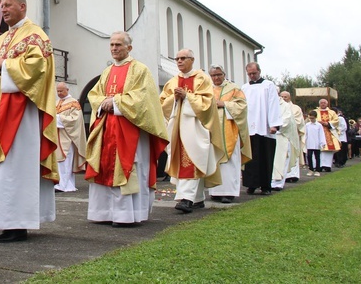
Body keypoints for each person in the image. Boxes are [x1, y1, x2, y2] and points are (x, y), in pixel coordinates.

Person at [0, 0, 59, 243]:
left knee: (16, 167)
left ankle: (18, 223)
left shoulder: (36, 35)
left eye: (7, 5)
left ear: (23, 6)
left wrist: (5, 66)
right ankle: (3, 220)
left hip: (21, 115)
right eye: (1, 6)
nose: (3, 9)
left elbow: (38, 69)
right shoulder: (1, 40)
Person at [85, 32, 168, 225]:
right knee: (105, 166)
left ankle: (127, 215)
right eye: (112, 45)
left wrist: (114, 102)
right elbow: (94, 94)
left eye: (118, 45)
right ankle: (104, 213)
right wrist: (103, 102)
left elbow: (144, 99)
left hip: (130, 130)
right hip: (107, 129)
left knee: (130, 167)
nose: (114, 48)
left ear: (129, 48)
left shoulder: (140, 70)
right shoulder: (107, 71)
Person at [160, 49, 224, 213]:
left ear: (192, 60)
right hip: (177, 127)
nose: (179, 61)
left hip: (195, 125)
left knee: (193, 159)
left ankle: (186, 199)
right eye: (177, 58)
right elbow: (162, 102)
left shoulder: (202, 78)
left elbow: (208, 103)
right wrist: (174, 98)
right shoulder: (173, 81)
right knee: (183, 159)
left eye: (183, 58)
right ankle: (197, 198)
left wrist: (187, 97)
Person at [207, 65, 251, 204]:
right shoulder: (208, 89)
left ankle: (229, 192)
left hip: (229, 129)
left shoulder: (234, 89)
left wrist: (224, 104)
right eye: (213, 75)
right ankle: (215, 191)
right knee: (214, 160)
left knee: (230, 161)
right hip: (212, 130)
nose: (216, 78)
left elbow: (242, 107)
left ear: (224, 74)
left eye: (219, 74)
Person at [241, 62, 281, 195]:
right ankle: (251, 184)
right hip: (249, 127)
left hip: (265, 127)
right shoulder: (244, 87)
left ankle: (265, 185)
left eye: (254, 73)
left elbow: (273, 105)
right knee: (250, 158)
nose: (252, 76)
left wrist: (274, 124)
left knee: (265, 156)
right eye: (249, 74)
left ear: (259, 71)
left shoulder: (268, 85)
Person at [55, 82, 87, 193]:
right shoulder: (57, 103)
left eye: (61, 91)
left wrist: (57, 118)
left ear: (67, 90)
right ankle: (63, 184)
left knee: (65, 162)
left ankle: (64, 185)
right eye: (58, 91)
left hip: (67, 138)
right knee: (59, 162)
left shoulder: (74, 103)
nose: (59, 93)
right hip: (58, 137)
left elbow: (75, 120)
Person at [271, 89, 300, 191]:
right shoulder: (267, 103)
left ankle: (277, 183)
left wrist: (275, 127)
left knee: (281, 159)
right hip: (267, 136)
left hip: (281, 135)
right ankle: (268, 182)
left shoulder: (285, 105)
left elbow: (286, 119)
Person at [280, 91, 305, 182]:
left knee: (292, 153)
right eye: (281, 96)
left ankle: (292, 175)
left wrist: (286, 122)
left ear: (289, 98)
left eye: (285, 97)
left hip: (292, 135)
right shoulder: (278, 106)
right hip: (280, 134)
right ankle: (282, 175)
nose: (283, 98)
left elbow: (298, 121)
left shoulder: (295, 108)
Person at [314, 99, 340, 172]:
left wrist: (328, 123)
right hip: (318, 132)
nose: (323, 104)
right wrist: (318, 122)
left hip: (329, 131)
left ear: (327, 104)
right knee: (319, 149)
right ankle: (319, 165)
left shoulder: (332, 112)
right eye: (321, 103)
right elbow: (311, 119)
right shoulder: (315, 112)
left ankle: (327, 165)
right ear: (319, 104)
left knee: (328, 149)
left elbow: (336, 121)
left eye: (324, 103)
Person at [304, 111, 326, 175]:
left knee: (317, 157)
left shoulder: (319, 125)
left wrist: (322, 143)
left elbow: (321, 134)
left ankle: (317, 170)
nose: (311, 119)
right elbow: (305, 134)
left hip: (317, 143)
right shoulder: (307, 125)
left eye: (313, 118)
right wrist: (304, 142)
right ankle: (311, 169)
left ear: (315, 117)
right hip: (309, 143)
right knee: (309, 156)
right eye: (310, 118)